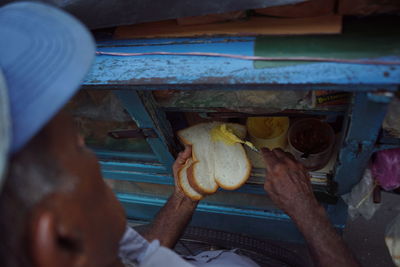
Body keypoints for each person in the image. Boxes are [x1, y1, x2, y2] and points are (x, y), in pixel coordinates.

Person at [0, 2, 360, 267]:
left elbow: (138, 254)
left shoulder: (90, 242)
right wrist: (305, 211)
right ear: (59, 237)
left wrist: (183, 196)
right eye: (80, 152)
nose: (96, 166)